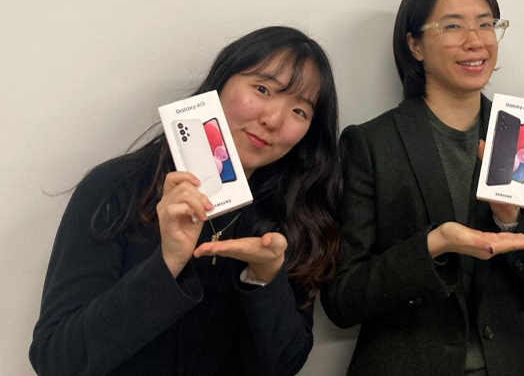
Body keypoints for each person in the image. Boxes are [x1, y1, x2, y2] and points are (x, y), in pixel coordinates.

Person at [30, 26, 342, 376]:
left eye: (299, 111)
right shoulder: (115, 189)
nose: (273, 120)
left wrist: (265, 281)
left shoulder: (297, 218)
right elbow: (57, 361)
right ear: (222, 82)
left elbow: (284, 366)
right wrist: (166, 265)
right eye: (262, 89)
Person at [321, 0, 524, 376]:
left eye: (486, 24)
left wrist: (509, 218)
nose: (475, 40)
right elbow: (342, 299)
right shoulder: (370, 144)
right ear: (415, 45)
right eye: (453, 26)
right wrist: (432, 247)